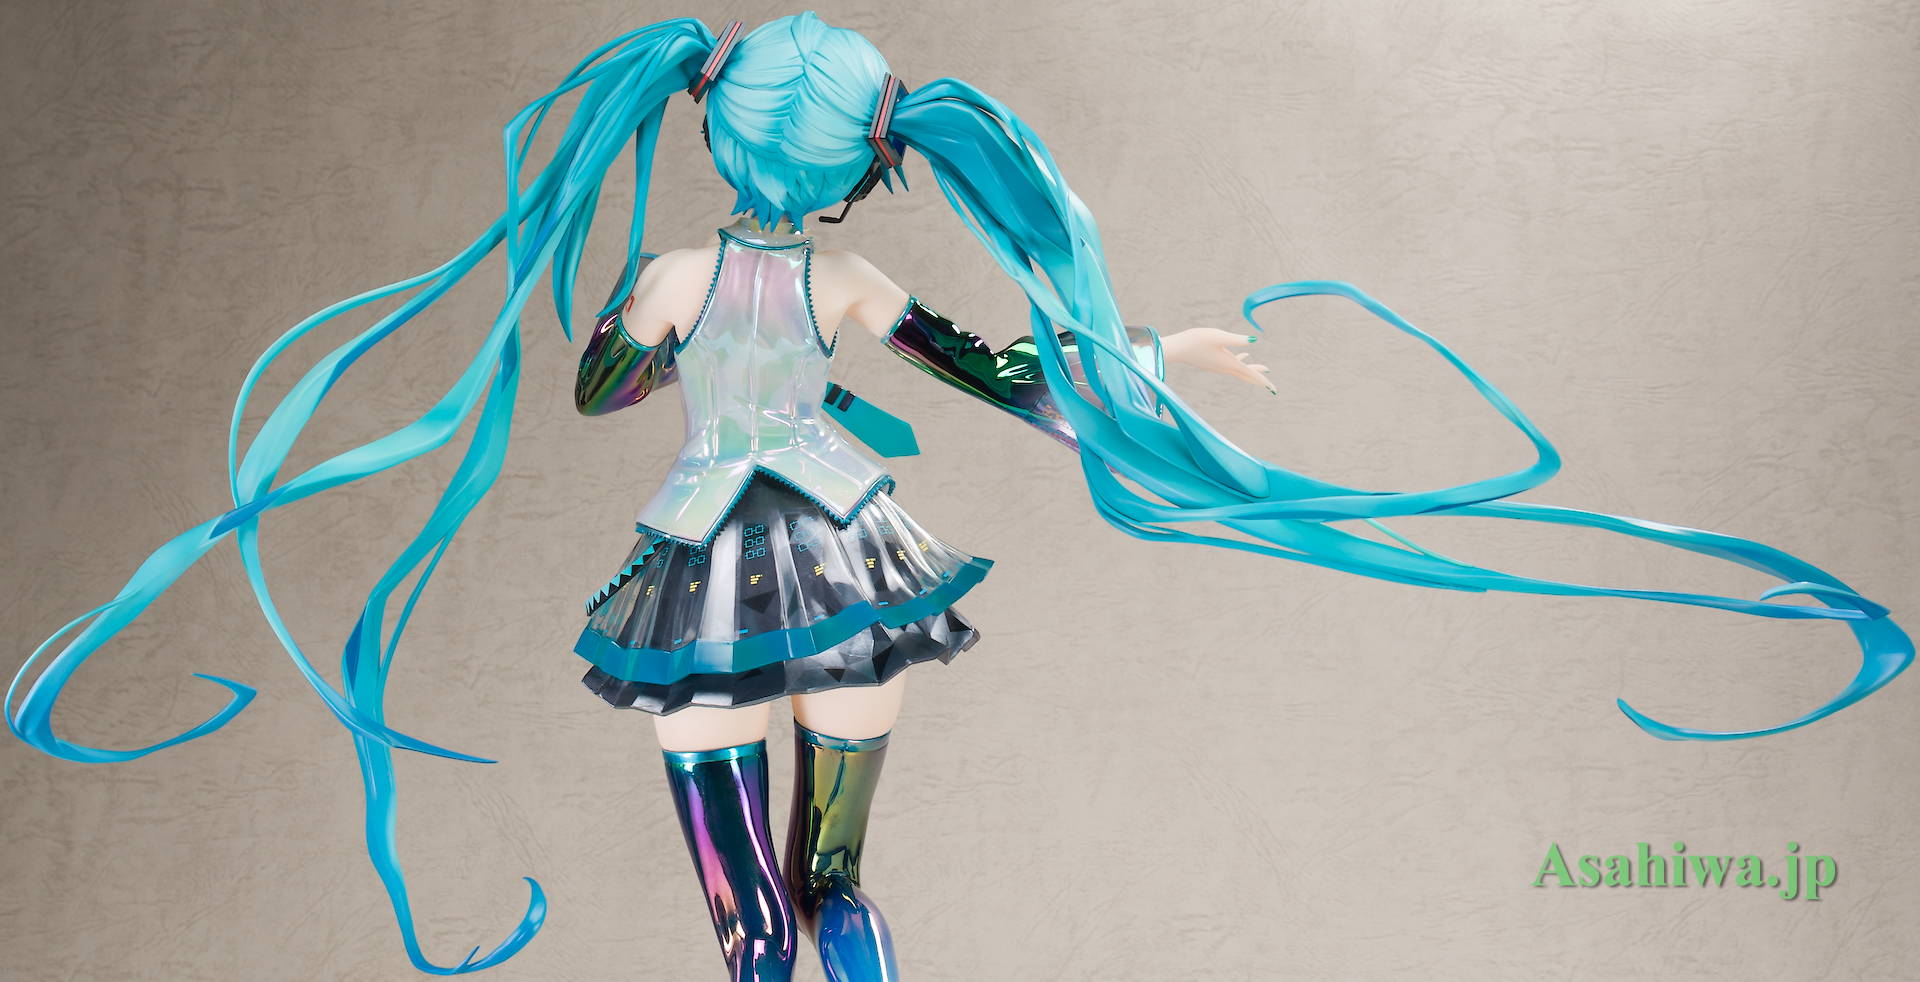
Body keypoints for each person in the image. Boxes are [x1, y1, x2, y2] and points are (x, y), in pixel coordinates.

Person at [9, 12, 1909, 980]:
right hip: (847, 565)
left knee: (750, 928)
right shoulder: (851, 281)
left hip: (697, 589)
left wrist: (645, 325)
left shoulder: (671, 278)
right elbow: (1014, 378)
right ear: (858, 171)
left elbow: (596, 389)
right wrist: (1155, 356)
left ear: (710, 132)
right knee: (840, 887)